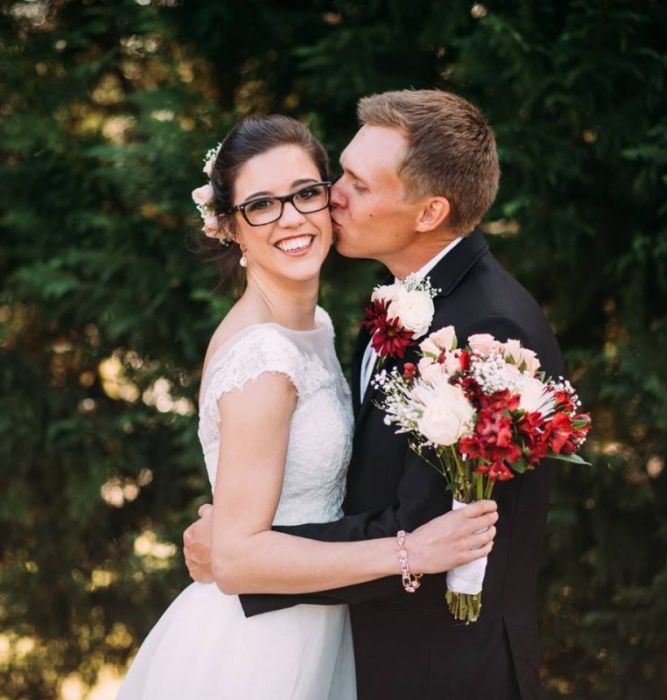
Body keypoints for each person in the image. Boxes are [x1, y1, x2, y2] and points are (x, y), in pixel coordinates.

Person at [185, 90, 565, 700]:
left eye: (356, 185)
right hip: (337, 649)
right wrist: (240, 542)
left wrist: (241, 555)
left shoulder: (487, 330)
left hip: (443, 668)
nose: (331, 196)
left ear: (428, 212)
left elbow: (423, 527)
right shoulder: (399, 298)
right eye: (339, 174)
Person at [116, 114, 498, 699]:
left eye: (304, 193)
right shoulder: (265, 358)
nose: (291, 218)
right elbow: (240, 560)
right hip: (257, 650)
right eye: (261, 205)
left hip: (319, 624)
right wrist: (411, 551)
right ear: (229, 227)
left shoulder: (313, 325)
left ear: (328, 198)